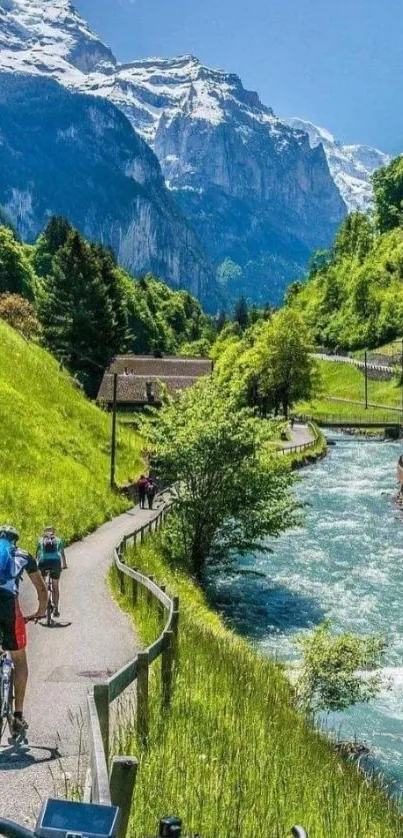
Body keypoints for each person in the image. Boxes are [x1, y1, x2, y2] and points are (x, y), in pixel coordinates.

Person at [0, 524, 47, 736]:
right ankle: (18, 716)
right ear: (15, 541)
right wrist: (40, 611)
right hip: (9, 606)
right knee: (19, 661)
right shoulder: (22, 555)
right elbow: (41, 588)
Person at [36, 527, 67, 619]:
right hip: (55, 563)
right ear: (54, 532)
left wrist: (36, 567)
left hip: (43, 562)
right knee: (55, 586)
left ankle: (42, 608)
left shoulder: (40, 540)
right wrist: (64, 565)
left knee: (42, 586)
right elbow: (62, 554)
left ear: (44, 532)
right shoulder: (58, 540)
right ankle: (56, 609)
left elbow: (37, 555)